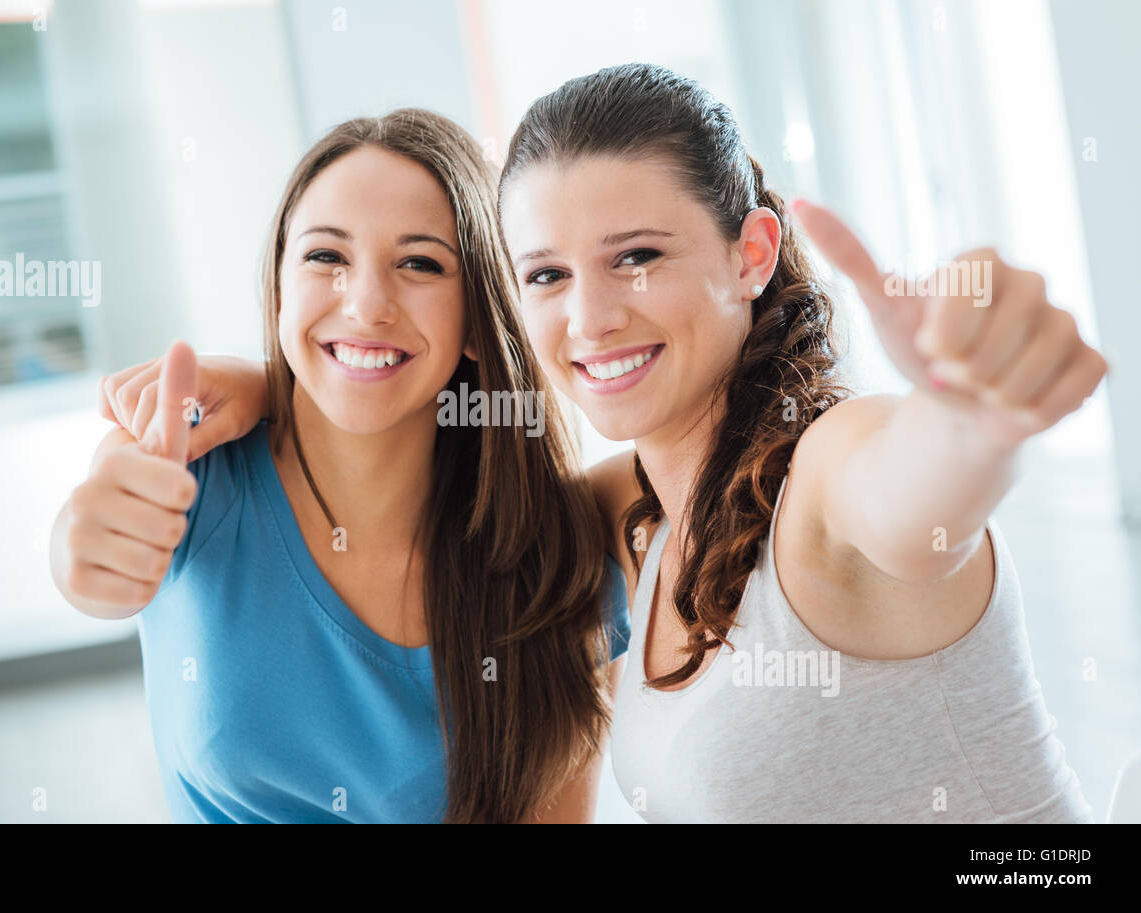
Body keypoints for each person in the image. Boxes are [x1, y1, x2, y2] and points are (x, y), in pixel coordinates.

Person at [108, 64, 1105, 823]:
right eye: (545, 276)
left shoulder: (824, 478)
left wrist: (975, 414)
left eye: (636, 257)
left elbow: (913, 490)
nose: (590, 317)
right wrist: (272, 389)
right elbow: (414, 505)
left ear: (748, 254)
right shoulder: (628, 527)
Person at [50, 108, 631, 824]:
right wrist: (82, 546)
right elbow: (95, 540)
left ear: (480, 319)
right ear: (278, 287)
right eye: (326, 257)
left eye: (419, 263)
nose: (366, 304)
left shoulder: (556, 566)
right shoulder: (185, 465)